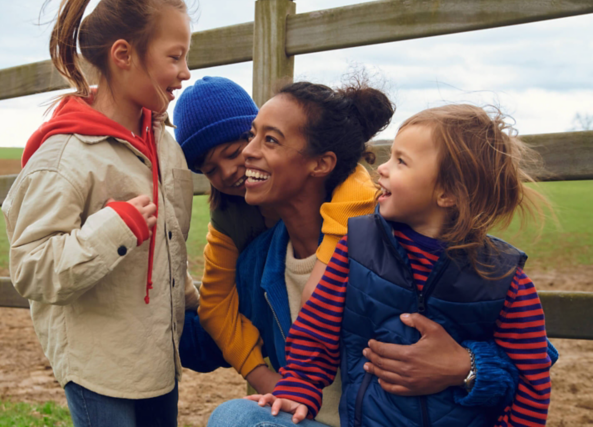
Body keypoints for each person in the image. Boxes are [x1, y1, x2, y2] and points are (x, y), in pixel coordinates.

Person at [176, 79, 535, 426]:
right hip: (323, 419)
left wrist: (466, 366)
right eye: (251, 136)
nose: (244, 156)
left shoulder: (389, 244)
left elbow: (526, 369)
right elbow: (223, 328)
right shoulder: (252, 259)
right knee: (235, 417)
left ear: (322, 163)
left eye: (267, 140)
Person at [1, 0, 197, 426]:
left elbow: (168, 243)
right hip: (98, 368)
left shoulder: (165, 146)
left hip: (156, 360)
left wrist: (193, 304)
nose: (186, 71)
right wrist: (113, 229)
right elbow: (31, 266)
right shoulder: (65, 157)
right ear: (124, 55)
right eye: (174, 56)